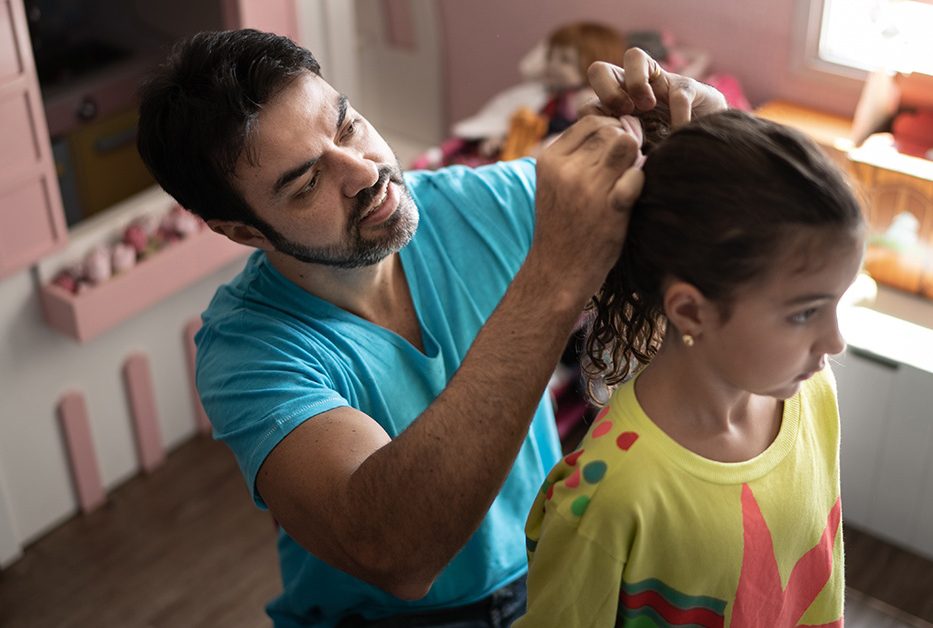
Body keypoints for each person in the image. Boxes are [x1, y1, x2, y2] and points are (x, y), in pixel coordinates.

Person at [135, 29, 725, 628]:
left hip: (550, 564)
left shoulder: (480, 202)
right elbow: (395, 552)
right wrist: (553, 277)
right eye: (308, 182)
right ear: (243, 232)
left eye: (347, 127)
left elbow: (717, 239)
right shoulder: (247, 352)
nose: (364, 172)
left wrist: (707, 140)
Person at [514, 109, 866, 627]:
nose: (835, 342)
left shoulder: (813, 394)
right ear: (691, 311)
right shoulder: (609, 496)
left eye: (840, 301)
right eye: (804, 313)